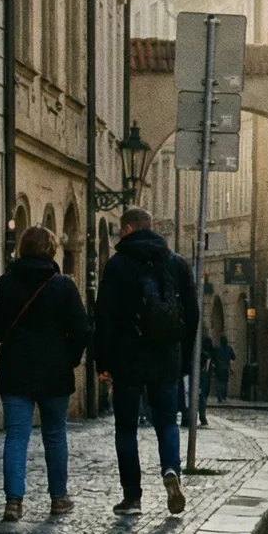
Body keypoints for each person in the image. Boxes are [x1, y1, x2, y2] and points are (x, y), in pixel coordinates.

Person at [94, 207, 199, 516]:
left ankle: (132, 498)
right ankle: (170, 470)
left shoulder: (117, 266)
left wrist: (103, 361)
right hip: (166, 356)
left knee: (126, 427)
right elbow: (191, 315)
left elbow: (105, 316)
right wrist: (183, 356)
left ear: (127, 229)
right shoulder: (176, 263)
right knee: (167, 421)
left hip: (127, 359)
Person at [0, 226, 87, 522]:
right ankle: (58, 498)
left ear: (22, 249)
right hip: (54, 372)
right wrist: (69, 359)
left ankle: (13, 502)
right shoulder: (63, 286)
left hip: (15, 370)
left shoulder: (6, 283)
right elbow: (81, 330)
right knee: (55, 435)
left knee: (16, 436)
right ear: (53, 250)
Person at [212, 335, 235, 402]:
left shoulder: (217, 348)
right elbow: (233, 357)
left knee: (218, 382)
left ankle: (219, 395)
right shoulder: (229, 348)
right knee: (225, 383)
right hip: (225, 368)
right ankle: (223, 395)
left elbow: (213, 357)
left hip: (218, 368)